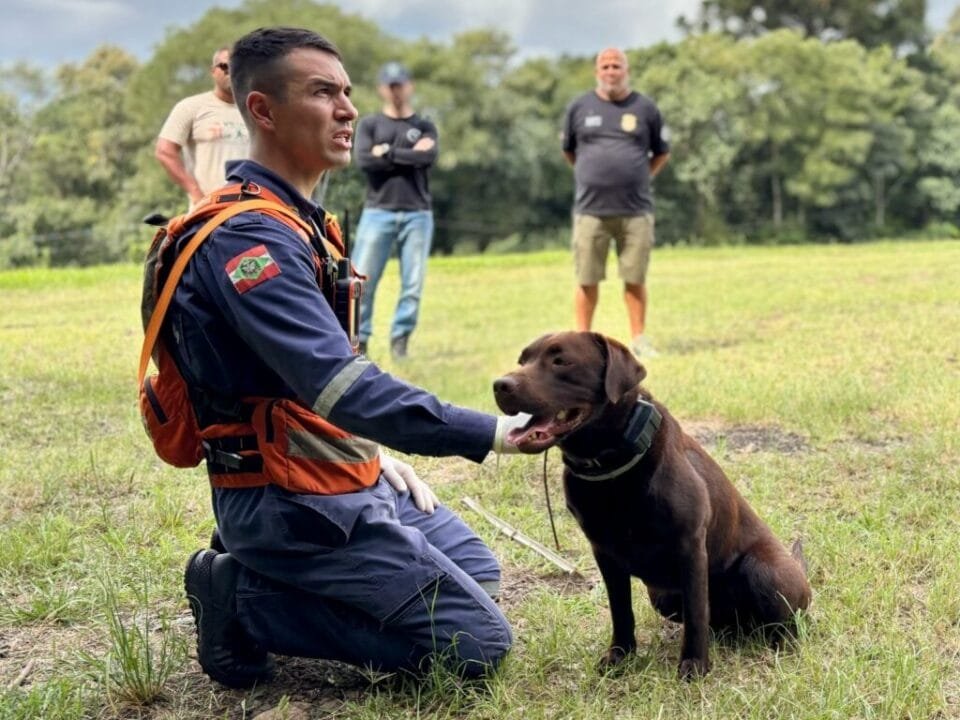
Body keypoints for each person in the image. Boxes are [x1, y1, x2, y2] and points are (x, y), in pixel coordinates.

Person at [170, 27, 527, 688]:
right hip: (285, 498)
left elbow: (306, 385)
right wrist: (496, 432)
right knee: (476, 646)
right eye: (322, 92)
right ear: (263, 111)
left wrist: (369, 454)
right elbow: (342, 386)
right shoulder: (249, 239)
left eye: (347, 92)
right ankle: (245, 599)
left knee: (477, 570)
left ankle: (278, 579)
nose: (348, 109)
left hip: (334, 473)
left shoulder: (301, 220)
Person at [561, 47, 670, 358]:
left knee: (635, 278)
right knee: (586, 279)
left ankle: (638, 339)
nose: (611, 71)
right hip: (590, 210)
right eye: (605, 66)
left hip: (635, 209)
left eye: (617, 66)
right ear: (597, 71)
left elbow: (661, 152)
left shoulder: (645, 107)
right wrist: (592, 174)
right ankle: (581, 344)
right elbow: (569, 151)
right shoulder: (579, 107)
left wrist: (637, 176)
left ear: (627, 70)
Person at [352, 62, 438, 359]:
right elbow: (364, 161)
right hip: (378, 212)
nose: (395, 90)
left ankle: (400, 342)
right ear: (381, 89)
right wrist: (410, 155)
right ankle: (358, 342)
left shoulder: (424, 125)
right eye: (390, 85)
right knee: (362, 281)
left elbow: (428, 159)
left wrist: (387, 152)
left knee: (412, 283)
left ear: (409, 86)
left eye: (400, 84)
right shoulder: (370, 125)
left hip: (418, 214)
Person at [155, 46, 250, 208]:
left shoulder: (255, 109)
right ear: (213, 71)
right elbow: (165, 151)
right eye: (225, 66)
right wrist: (196, 194)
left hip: (252, 207)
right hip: (209, 210)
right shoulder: (191, 107)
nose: (231, 71)